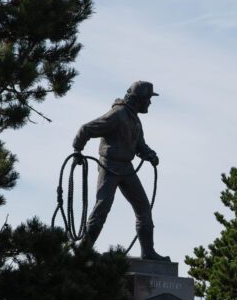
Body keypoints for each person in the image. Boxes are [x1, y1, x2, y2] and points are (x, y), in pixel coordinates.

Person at [72, 81, 169, 261]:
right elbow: (86, 129)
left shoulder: (134, 119)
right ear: (138, 99)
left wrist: (149, 154)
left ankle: (148, 252)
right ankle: (84, 250)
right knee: (102, 207)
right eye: (148, 98)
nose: (150, 102)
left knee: (143, 208)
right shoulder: (117, 115)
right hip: (109, 167)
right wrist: (78, 150)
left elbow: (140, 145)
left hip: (126, 168)